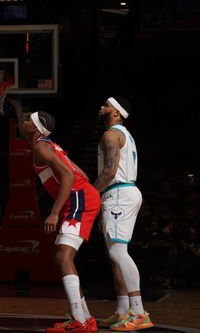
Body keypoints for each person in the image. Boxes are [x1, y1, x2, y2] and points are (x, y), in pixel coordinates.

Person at [11, 101, 100, 333]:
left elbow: (71, 177)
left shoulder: (42, 148)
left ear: (37, 127)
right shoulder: (47, 145)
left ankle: (79, 321)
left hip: (78, 198)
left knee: (62, 256)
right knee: (60, 255)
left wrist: (54, 212)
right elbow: (81, 173)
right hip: (81, 197)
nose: (25, 122)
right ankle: (85, 319)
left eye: (29, 120)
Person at [93, 97, 154, 331]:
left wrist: (89, 193)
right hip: (117, 193)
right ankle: (122, 310)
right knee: (113, 253)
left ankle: (139, 312)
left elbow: (108, 173)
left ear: (116, 112)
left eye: (106, 105)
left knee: (118, 251)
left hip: (119, 192)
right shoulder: (124, 134)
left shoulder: (111, 135)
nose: (102, 107)